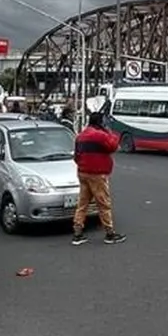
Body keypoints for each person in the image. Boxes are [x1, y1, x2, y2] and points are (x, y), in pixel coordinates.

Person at [71, 104, 126, 246]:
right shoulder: (100, 135)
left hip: (83, 173)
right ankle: (110, 233)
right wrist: (109, 132)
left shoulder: (81, 136)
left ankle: (77, 233)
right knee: (103, 203)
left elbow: (76, 156)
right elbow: (113, 146)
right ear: (100, 123)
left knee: (82, 203)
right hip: (97, 174)